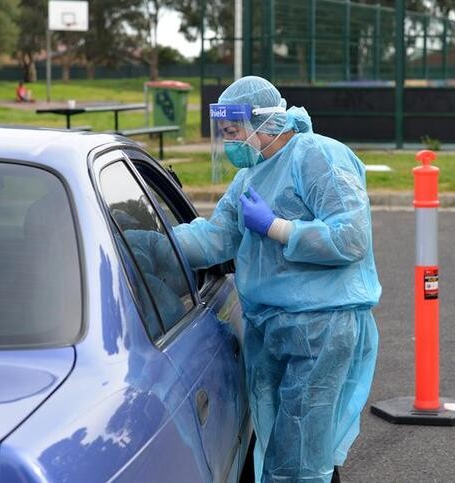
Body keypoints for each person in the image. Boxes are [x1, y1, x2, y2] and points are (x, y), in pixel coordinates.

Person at [171, 76, 381, 483]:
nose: (229, 143)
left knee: (299, 456)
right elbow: (215, 239)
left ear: (263, 123)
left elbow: (351, 237)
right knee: (288, 448)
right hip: (272, 327)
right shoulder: (248, 178)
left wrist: (276, 227)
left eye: (233, 132)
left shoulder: (319, 157)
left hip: (322, 327)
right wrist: (154, 241)